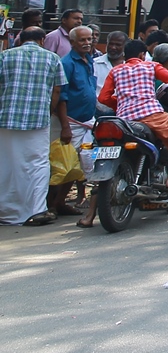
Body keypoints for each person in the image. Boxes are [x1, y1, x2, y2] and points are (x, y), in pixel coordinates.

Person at [96, 38, 168, 189]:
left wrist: (122, 103)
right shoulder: (150, 67)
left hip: (124, 120)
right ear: (142, 55)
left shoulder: (115, 70)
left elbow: (103, 98)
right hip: (152, 116)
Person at [0, 27, 68, 225]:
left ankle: (5, 209)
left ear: (20, 39)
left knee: (6, 163)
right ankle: (36, 210)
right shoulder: (53, 58)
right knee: (37, 164)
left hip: (6, 118)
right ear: (42, 39)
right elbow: (57, 90)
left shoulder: (5, 56)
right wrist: (49, 110)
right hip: (38, 120)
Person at [57, 26, 101, 219]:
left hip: (87, 121)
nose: (87, 43)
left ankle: (60, 202)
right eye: (82, 40)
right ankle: (53, 204)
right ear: (72, 42)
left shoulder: (88, 60)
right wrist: (65, 127)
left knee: (81, 165)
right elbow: (61, 97)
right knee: (64, 165)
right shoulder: (66, 63)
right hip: (71, 122)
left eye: (89, 39)